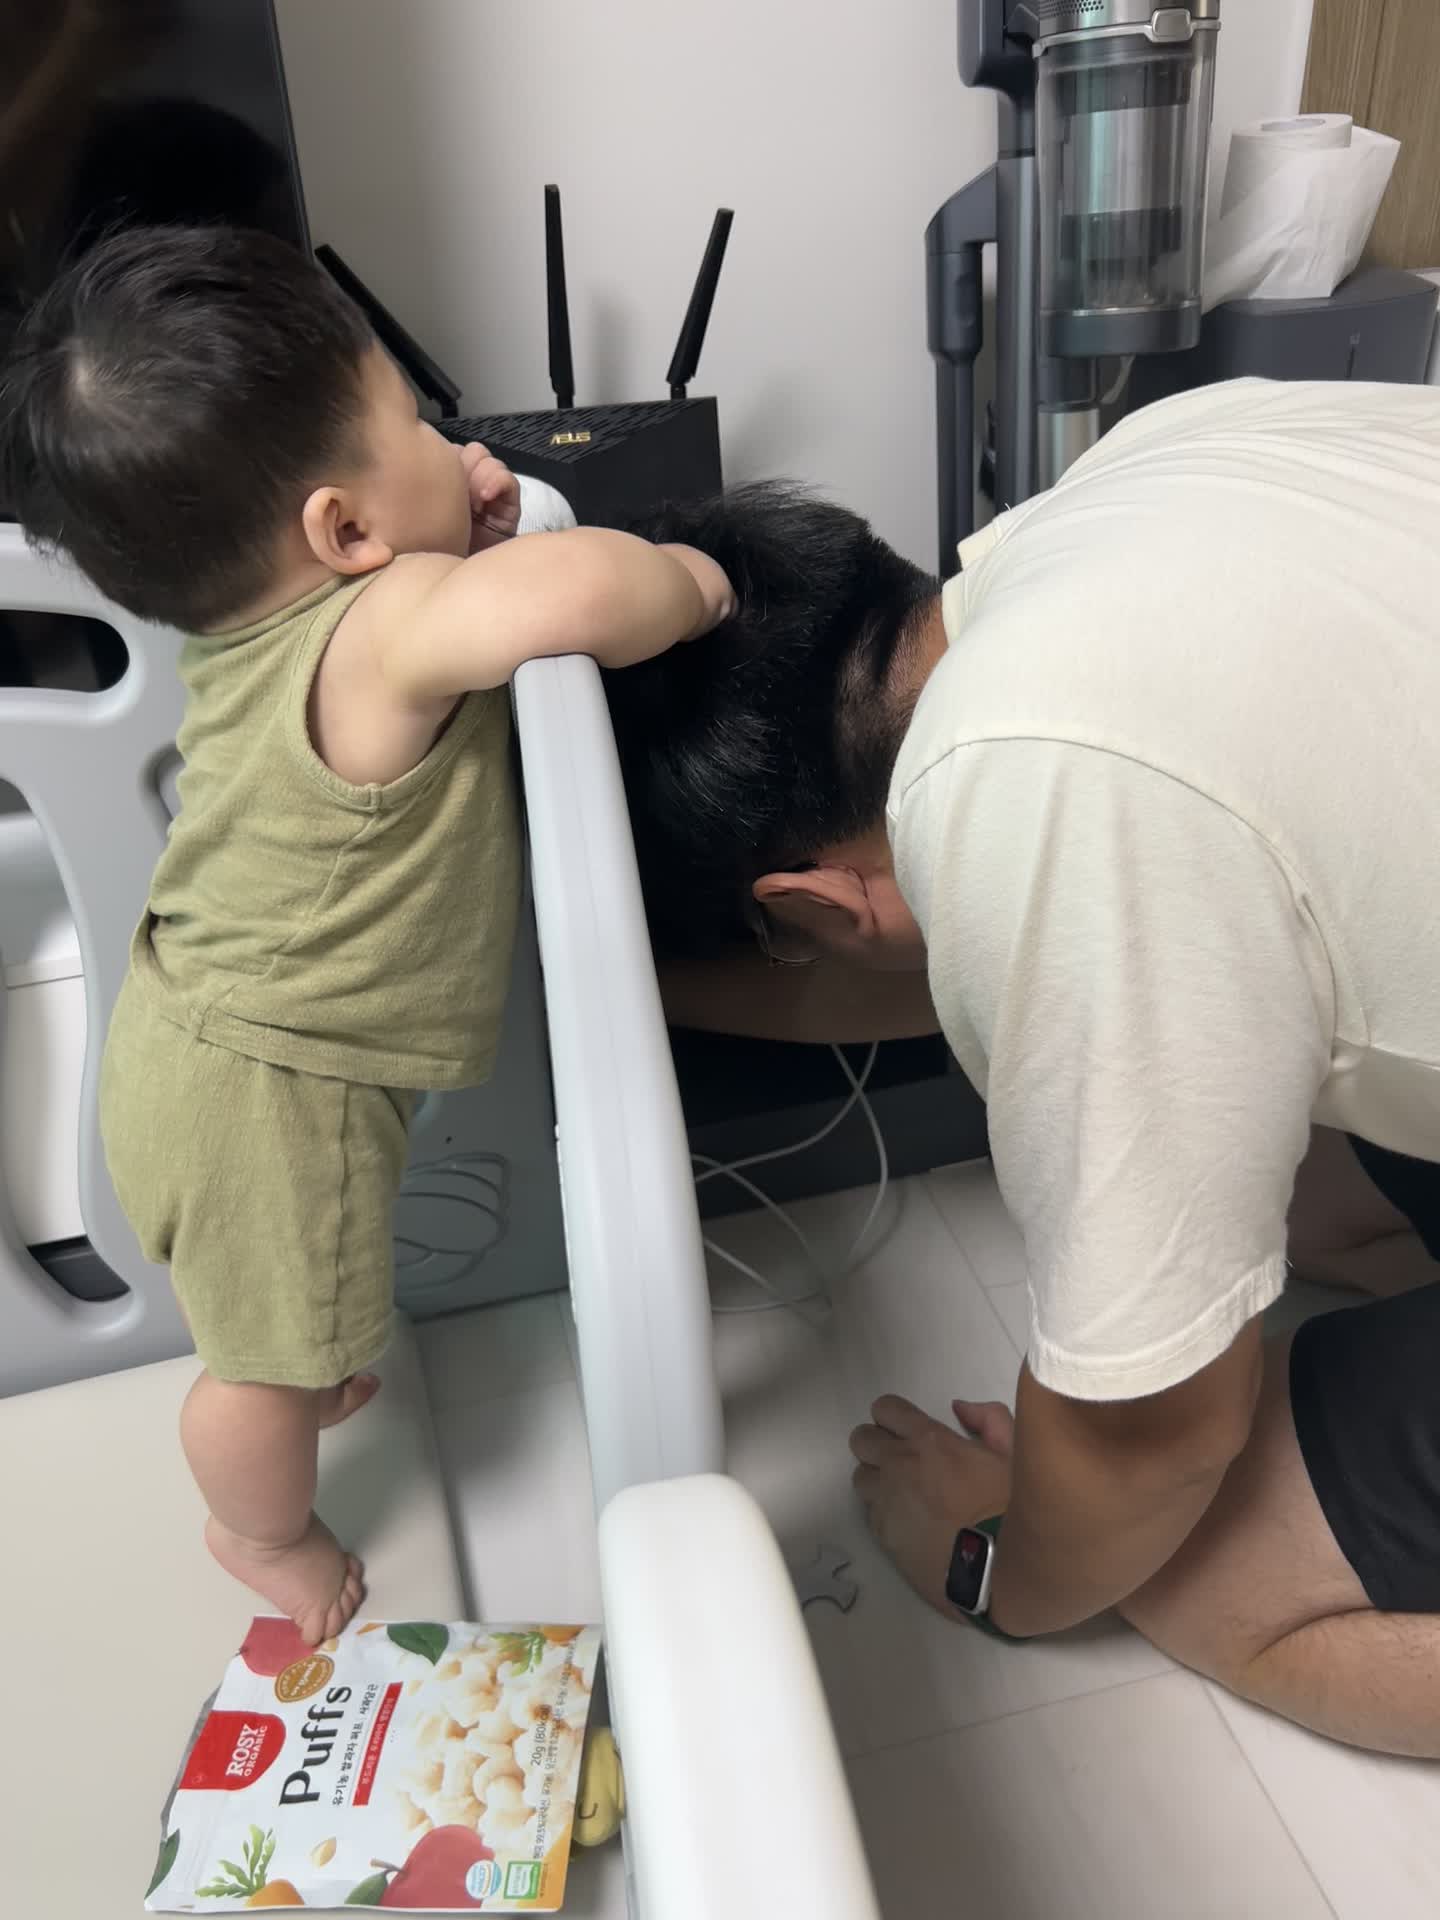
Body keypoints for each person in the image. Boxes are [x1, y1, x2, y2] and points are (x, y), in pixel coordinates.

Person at [603, 380, 1440, 1758]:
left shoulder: (1038, 792)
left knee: (1206, 1569)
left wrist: (1000, 1565)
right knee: (1306, 1197)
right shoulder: (1115, 502)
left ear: (807, 905)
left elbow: (1155, 1436)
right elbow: (946, 948)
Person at [0, 224, 733, 1643]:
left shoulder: (249, 624)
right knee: (258, 1378)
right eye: (417, 424)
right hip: (274, 1101)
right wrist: (691, 582)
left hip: (195, 1036)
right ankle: (257, 1526)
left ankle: (291, 1347)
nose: (459, 447)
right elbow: (589, 595)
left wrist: (446, 519)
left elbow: (448, 605)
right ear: (344, 533)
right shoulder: (393, 621)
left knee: (278, 1307)